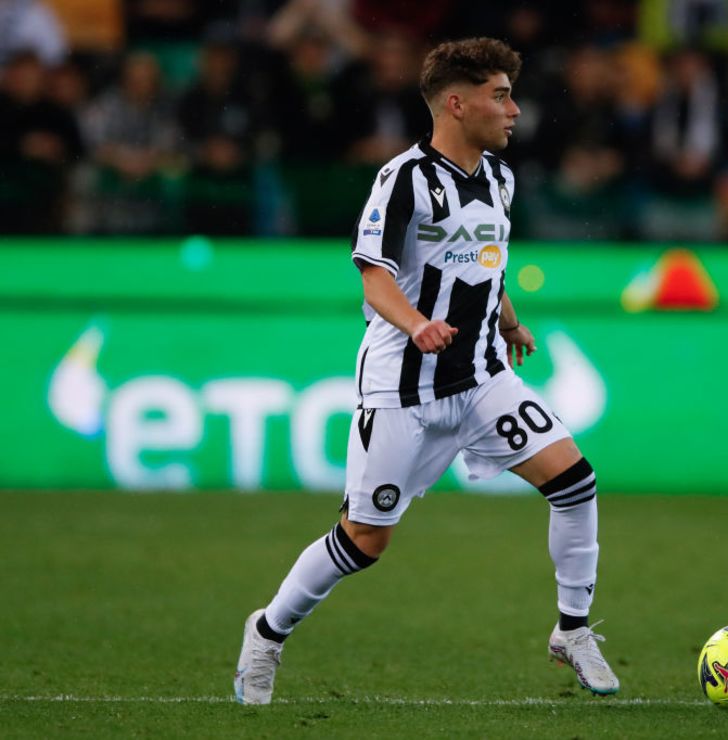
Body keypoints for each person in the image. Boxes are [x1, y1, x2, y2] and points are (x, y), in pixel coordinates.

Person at [233, 37, 620, 705]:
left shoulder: (500, 177)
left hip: (480, 377)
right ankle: (266, 633)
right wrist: (416, 325)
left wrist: (507, 320)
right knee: (364, 541)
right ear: (456, 102)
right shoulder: (404, 179)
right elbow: (374, 278)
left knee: (576, 482)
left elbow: (484, 266)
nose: (515, 110)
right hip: (403, 388)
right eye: (500, 96)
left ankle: (573, 629)